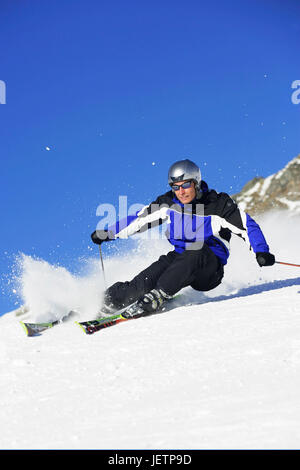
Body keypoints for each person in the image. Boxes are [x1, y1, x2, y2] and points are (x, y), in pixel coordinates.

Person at [91, 159, 275, 316]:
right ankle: (104, 304)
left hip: (209, 268)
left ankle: (158, 295)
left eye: (186, 185)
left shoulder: (217, 205)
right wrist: (109, 233)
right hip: (180, 258)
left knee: (197, 250)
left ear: (196, 182)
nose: (181, 191)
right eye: (176, 187)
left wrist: (261, 251)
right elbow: (139, 219)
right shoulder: (169, 203)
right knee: (141, 283)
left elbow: (247, 226)